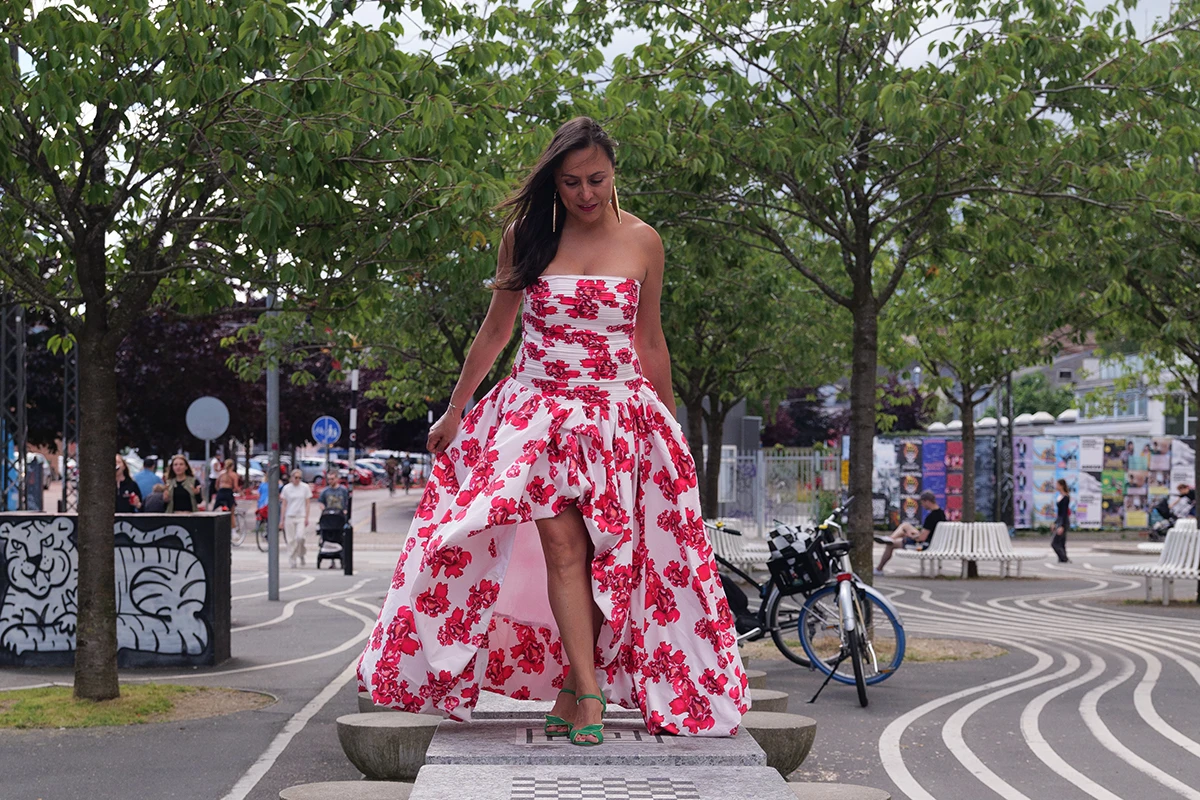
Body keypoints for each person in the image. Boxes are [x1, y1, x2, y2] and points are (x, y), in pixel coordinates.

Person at [357, 117, 747, 744]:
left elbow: (650, 340)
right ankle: (590, 698)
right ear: (554, 183)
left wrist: (670, 429)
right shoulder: (528, 236)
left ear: (614, 171)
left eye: (596, 179)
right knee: (565, 549)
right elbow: (496, 330)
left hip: (621, 420)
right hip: (539, 415)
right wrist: (457, 409)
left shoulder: (646, 241)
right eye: (571, 183)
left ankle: (572, 685)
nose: (585, 193)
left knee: (606, 557)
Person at [875, 490, 944, 574]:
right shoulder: (941, 514)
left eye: (922, 503)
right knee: (905, 525)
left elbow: (921, 538)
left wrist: (908, 535)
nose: (922, 505)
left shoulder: (931, 517)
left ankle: (879, 569)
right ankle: (890, 538)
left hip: (925, 544)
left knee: (890, 545)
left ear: (927, 501)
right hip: (934, 542)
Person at [281, 469, 312, 568]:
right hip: (289, 515)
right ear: (291, 478)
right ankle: (292, 558)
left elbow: (307, 503)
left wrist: (307, 517)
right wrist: (282, 519)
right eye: (296, 477)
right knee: (291, 540)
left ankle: (301, 553)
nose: (297, 480)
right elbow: (284, 505)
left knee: (300, 537)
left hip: (300, 516)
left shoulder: (305, 487)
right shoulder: (286, 488)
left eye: (299, 478)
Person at [214, 458, 242, 533]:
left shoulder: (221, 474)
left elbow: (216, 485)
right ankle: (233, 532)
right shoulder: (233, 475)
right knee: (231, 513)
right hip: (228, 493)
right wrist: (240, 492)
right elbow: (236, 487)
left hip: (220, 493)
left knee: (214, 511)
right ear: (232, 466)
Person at [1051, 478, 1071, 563]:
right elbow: (1059, 513)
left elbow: (1063, 513)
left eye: (1057, 485)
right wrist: (1055, 523)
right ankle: (1062, 558)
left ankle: (1064, 558)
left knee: (1055, 543)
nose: (1056, 486)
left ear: (1061, 486)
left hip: (1064, 521)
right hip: (1060, 520)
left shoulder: (1065, 497)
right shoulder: (1060, 497)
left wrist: (1062, 526)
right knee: (1061, 542)